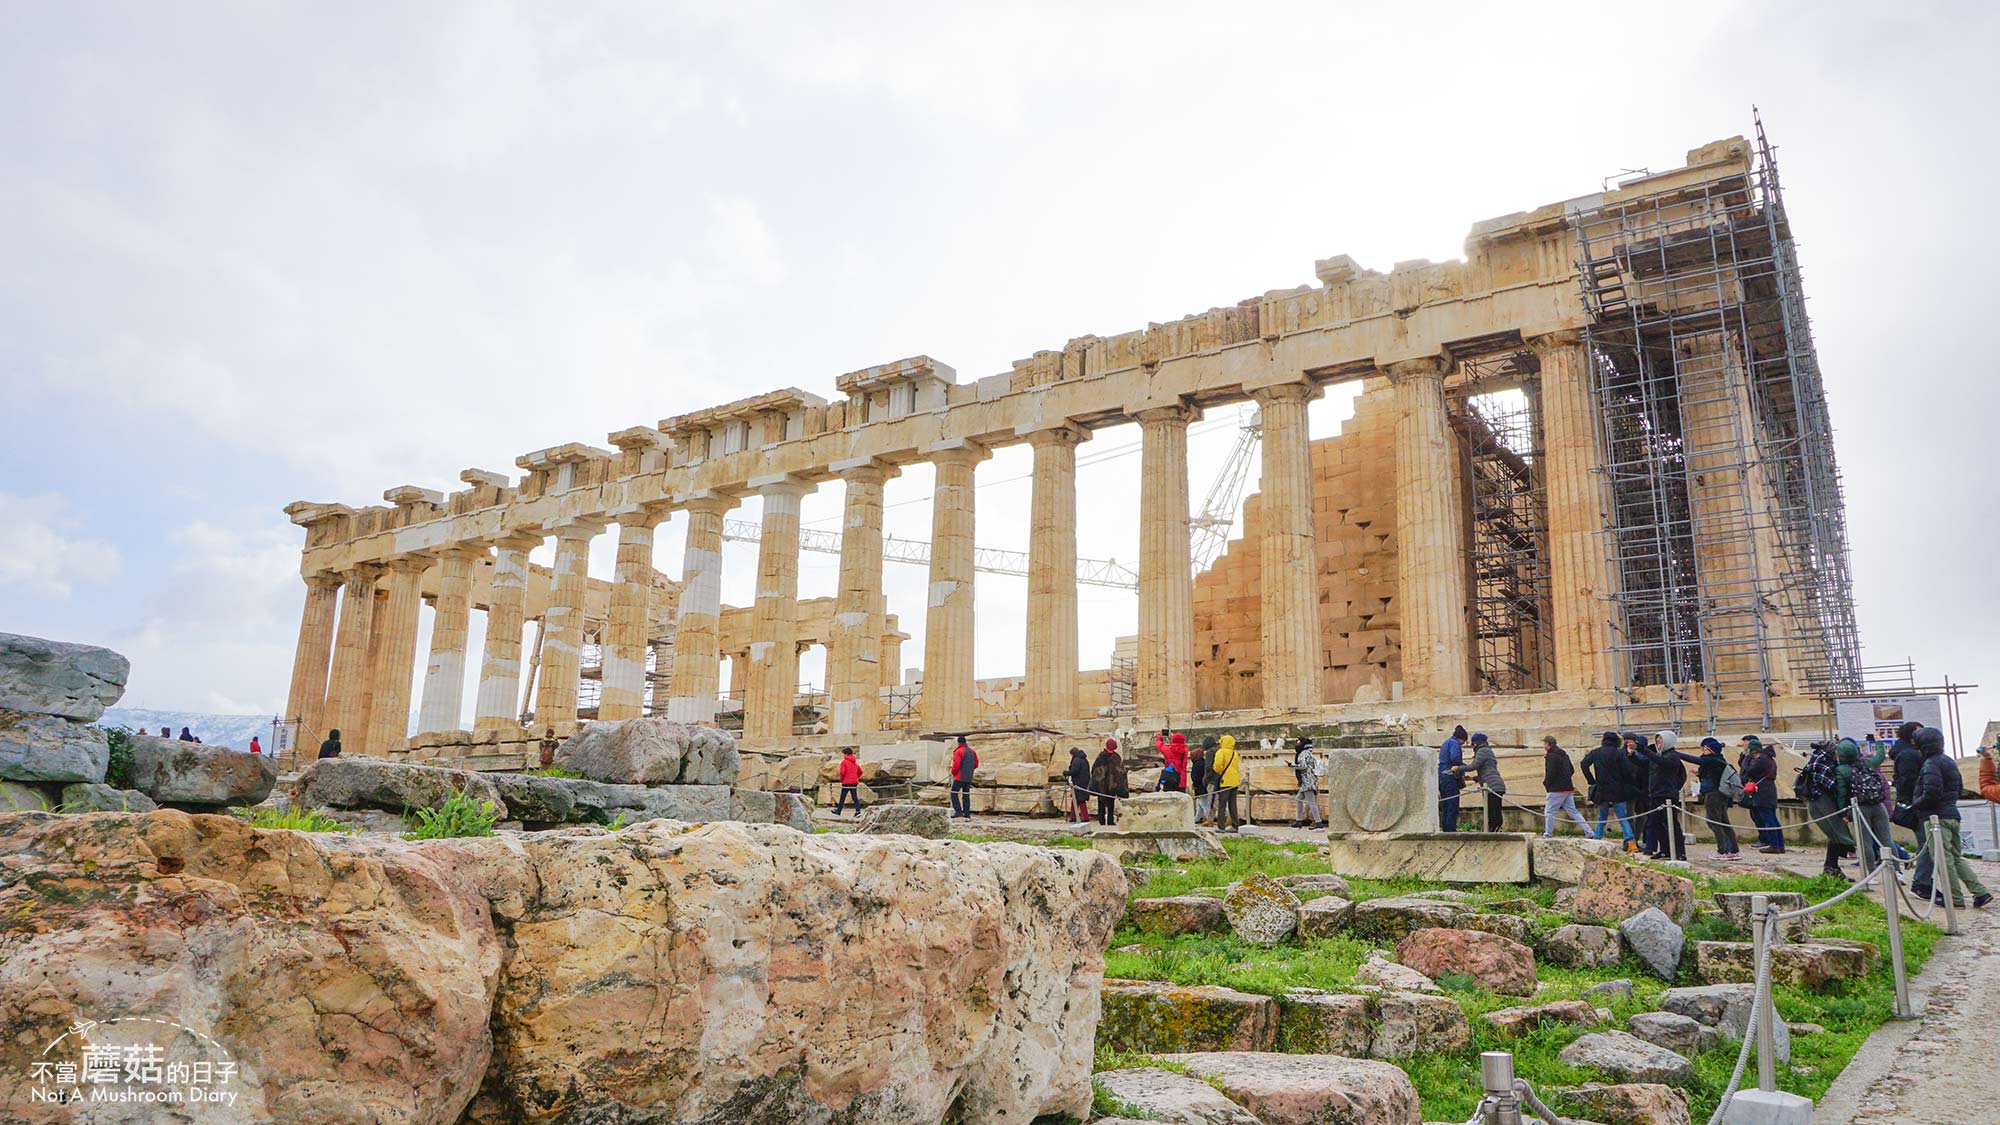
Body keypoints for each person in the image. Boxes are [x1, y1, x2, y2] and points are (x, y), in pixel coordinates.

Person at [1904, 726, 1991, 908]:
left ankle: (1954, 898)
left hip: (1936, 818)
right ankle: (1980, 892)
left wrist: (1915, 805)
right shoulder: (1948, 761)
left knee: (1944, 860)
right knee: (1956, 857)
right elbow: (1958, 788)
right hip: (1952, 814)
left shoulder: (1930, 764)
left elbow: (1932, 793)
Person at [1800, 739, 1851, 879]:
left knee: (1835, 835)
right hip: (1822, 802)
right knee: (1836, 834)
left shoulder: (1817, 759)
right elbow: (1831, 784)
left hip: (1819, 802)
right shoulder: (1824, 763)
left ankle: (1832, 868)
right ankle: (1831, 868)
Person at [1846, 737, 1896, 875]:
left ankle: (1870, 873)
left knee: (1865, 841)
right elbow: (1880, 755)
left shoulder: (1843, 770)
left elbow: (1842, 793)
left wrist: (1845, 813)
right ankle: (1898, 871)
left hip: (1860, 807)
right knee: (1886, 839)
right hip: (1878, 804)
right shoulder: (1869, 762)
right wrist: (1878, 742)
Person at [1685, 738, 1741, 858]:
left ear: (1710, 750)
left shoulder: (1710, 760)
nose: (1702, 751)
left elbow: (1696, 760)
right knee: (1724, 823)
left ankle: (1722, 851)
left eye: (1704, 748)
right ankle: (1733, 850)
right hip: (1721, 795)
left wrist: (1676, 753)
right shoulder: (1719, 760)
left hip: (1713, 794)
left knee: (1714, 822)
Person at [1637, 731, 1689, 860]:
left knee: (1671, 824)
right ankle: (1665, 850)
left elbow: (1662, 761)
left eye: (1661, 740)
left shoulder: (1672, 756)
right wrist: (1632, 755)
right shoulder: (1657, 756)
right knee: (1657, 823)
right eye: (1657, 740)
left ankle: (1680, 852)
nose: (1659, 743)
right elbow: (1645, 764)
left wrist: (1643, 750)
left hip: (1667, 795)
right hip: (1655, 794)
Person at [1581, 731, 1636, 848]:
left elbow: (1584, 764)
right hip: (1617, 789)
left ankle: (1597, 840)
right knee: (1622, 817)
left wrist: (1591, 781)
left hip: (1602, 789)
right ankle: (1630, 842)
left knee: (1602, 817)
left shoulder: (1596, 752)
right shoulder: (1619, 753)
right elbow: (1628, 770)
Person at [1741, 736, 1787, 853]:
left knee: (1768, 818)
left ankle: (1774, 845)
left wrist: (1746, 758)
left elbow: (1748, 771)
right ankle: (1780, 844)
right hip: (1769, 789)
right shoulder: (1769, 759)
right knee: (1773, 818)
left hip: (1762, 791)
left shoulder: (1760, 759)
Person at [1541, 736, 1590, 837]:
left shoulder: (1551, 756)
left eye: (1544, 744)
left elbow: (1551, 772)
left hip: (1556, 789)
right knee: (1573, 812)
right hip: (1568, 788)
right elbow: (1571, 770)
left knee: (1549, 812)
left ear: (1547, 744)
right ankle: (1589, 832)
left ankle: (1548, 834)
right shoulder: (1564, 755)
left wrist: (1547, 783)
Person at [1468, 733, 1505, 831]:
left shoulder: (1482, 751)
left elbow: (1473, 766)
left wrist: (1458, 768)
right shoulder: (1488, 750)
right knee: (1496, 811)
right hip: (1497, 785)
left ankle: (1492, 832)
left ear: (1476, 743)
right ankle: (1495, 830)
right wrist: (1473, 778)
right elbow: (1487, 771)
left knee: (1492, 812)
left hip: (1491, 786)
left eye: (1472, 744)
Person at [1438, 725, 1469, 832]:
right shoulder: (1455, 743)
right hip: (1450, 778)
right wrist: (1462, 766)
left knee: (1445, 806)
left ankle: (1446, 829)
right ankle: (1451, 829)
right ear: (1461, 738)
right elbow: (1455, 757)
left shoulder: (1446, 742)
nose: (1463, 744)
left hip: (1442, 777)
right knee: (1452, 805)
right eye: (1464, 741)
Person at [1090, 738, 1128, 827]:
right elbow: (1122, 772)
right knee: (1111, 803)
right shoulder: (1116, 757)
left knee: (1102, 802)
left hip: (1102, 784)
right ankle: (1110, 821)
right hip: (1112, 784)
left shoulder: (1101, 756)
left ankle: (1102, 820)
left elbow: (1094, 770)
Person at [1211, 734, 1244, 833]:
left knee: (1222, 804)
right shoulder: (1235, 753)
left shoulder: (1220, 752)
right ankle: (1235, 825)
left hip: (1224, 781)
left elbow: (1217, 766)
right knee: (1232, 804)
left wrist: (1219, 772)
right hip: (1234, 781)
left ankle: (1221, 826)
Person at [1291, 737, 1325, 829]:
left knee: (1311, 802)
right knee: (1298, 799)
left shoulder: (1304, 753)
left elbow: (1303, 766)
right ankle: (1299, 820)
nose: (1297, 743)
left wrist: (1292, 765)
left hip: (1307, 781)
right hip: (1307, 781)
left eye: (1298, 741)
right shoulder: (1308, 753)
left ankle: (1318, 822)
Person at [1890, 720, 1925, 804]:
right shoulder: (1908, 755)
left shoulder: (1909, 752)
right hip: (1912, 800)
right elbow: (1909, 781)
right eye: (1919, 732)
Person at [949, 735, 977, 819]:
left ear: (958, 743)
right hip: (968, 777)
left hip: (959, 777)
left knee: (953, 793)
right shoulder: (972, 751)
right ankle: (967, 813)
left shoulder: (958, 751)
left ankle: (958, 812)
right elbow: (976, 764)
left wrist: (953, 773)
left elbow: (956, 764)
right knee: (966, 795)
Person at [1190, 737, 1214, 824]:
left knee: (1203, 804)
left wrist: (1195, 785)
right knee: (1199, 804)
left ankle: (1209, 819)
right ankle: (1196, 818)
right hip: (1203, 785)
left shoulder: (1197, 764)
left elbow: (1196, 777)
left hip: (1200, 787)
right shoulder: (1203, 762)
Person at [1066, 746, 1092, 823]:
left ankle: (1084, 817)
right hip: (1085, 782)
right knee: (1076, 800)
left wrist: (1067, 772)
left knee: (1080, 800)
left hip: (1078, 782)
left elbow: (1075, 771)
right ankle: (1074, 816)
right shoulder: (1084, 759)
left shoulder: (1076, 760)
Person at [834, 748, 863, 815]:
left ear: (846, 754)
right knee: (854, 797)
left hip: (846, 782)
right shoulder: (855, 763)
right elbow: (860, 771)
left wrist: (842, 779)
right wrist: (856, 777)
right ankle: (858, 811)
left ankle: (838, 811)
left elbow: (842, 772)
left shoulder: (844, 762)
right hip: (854, 782)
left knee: (842, 797)